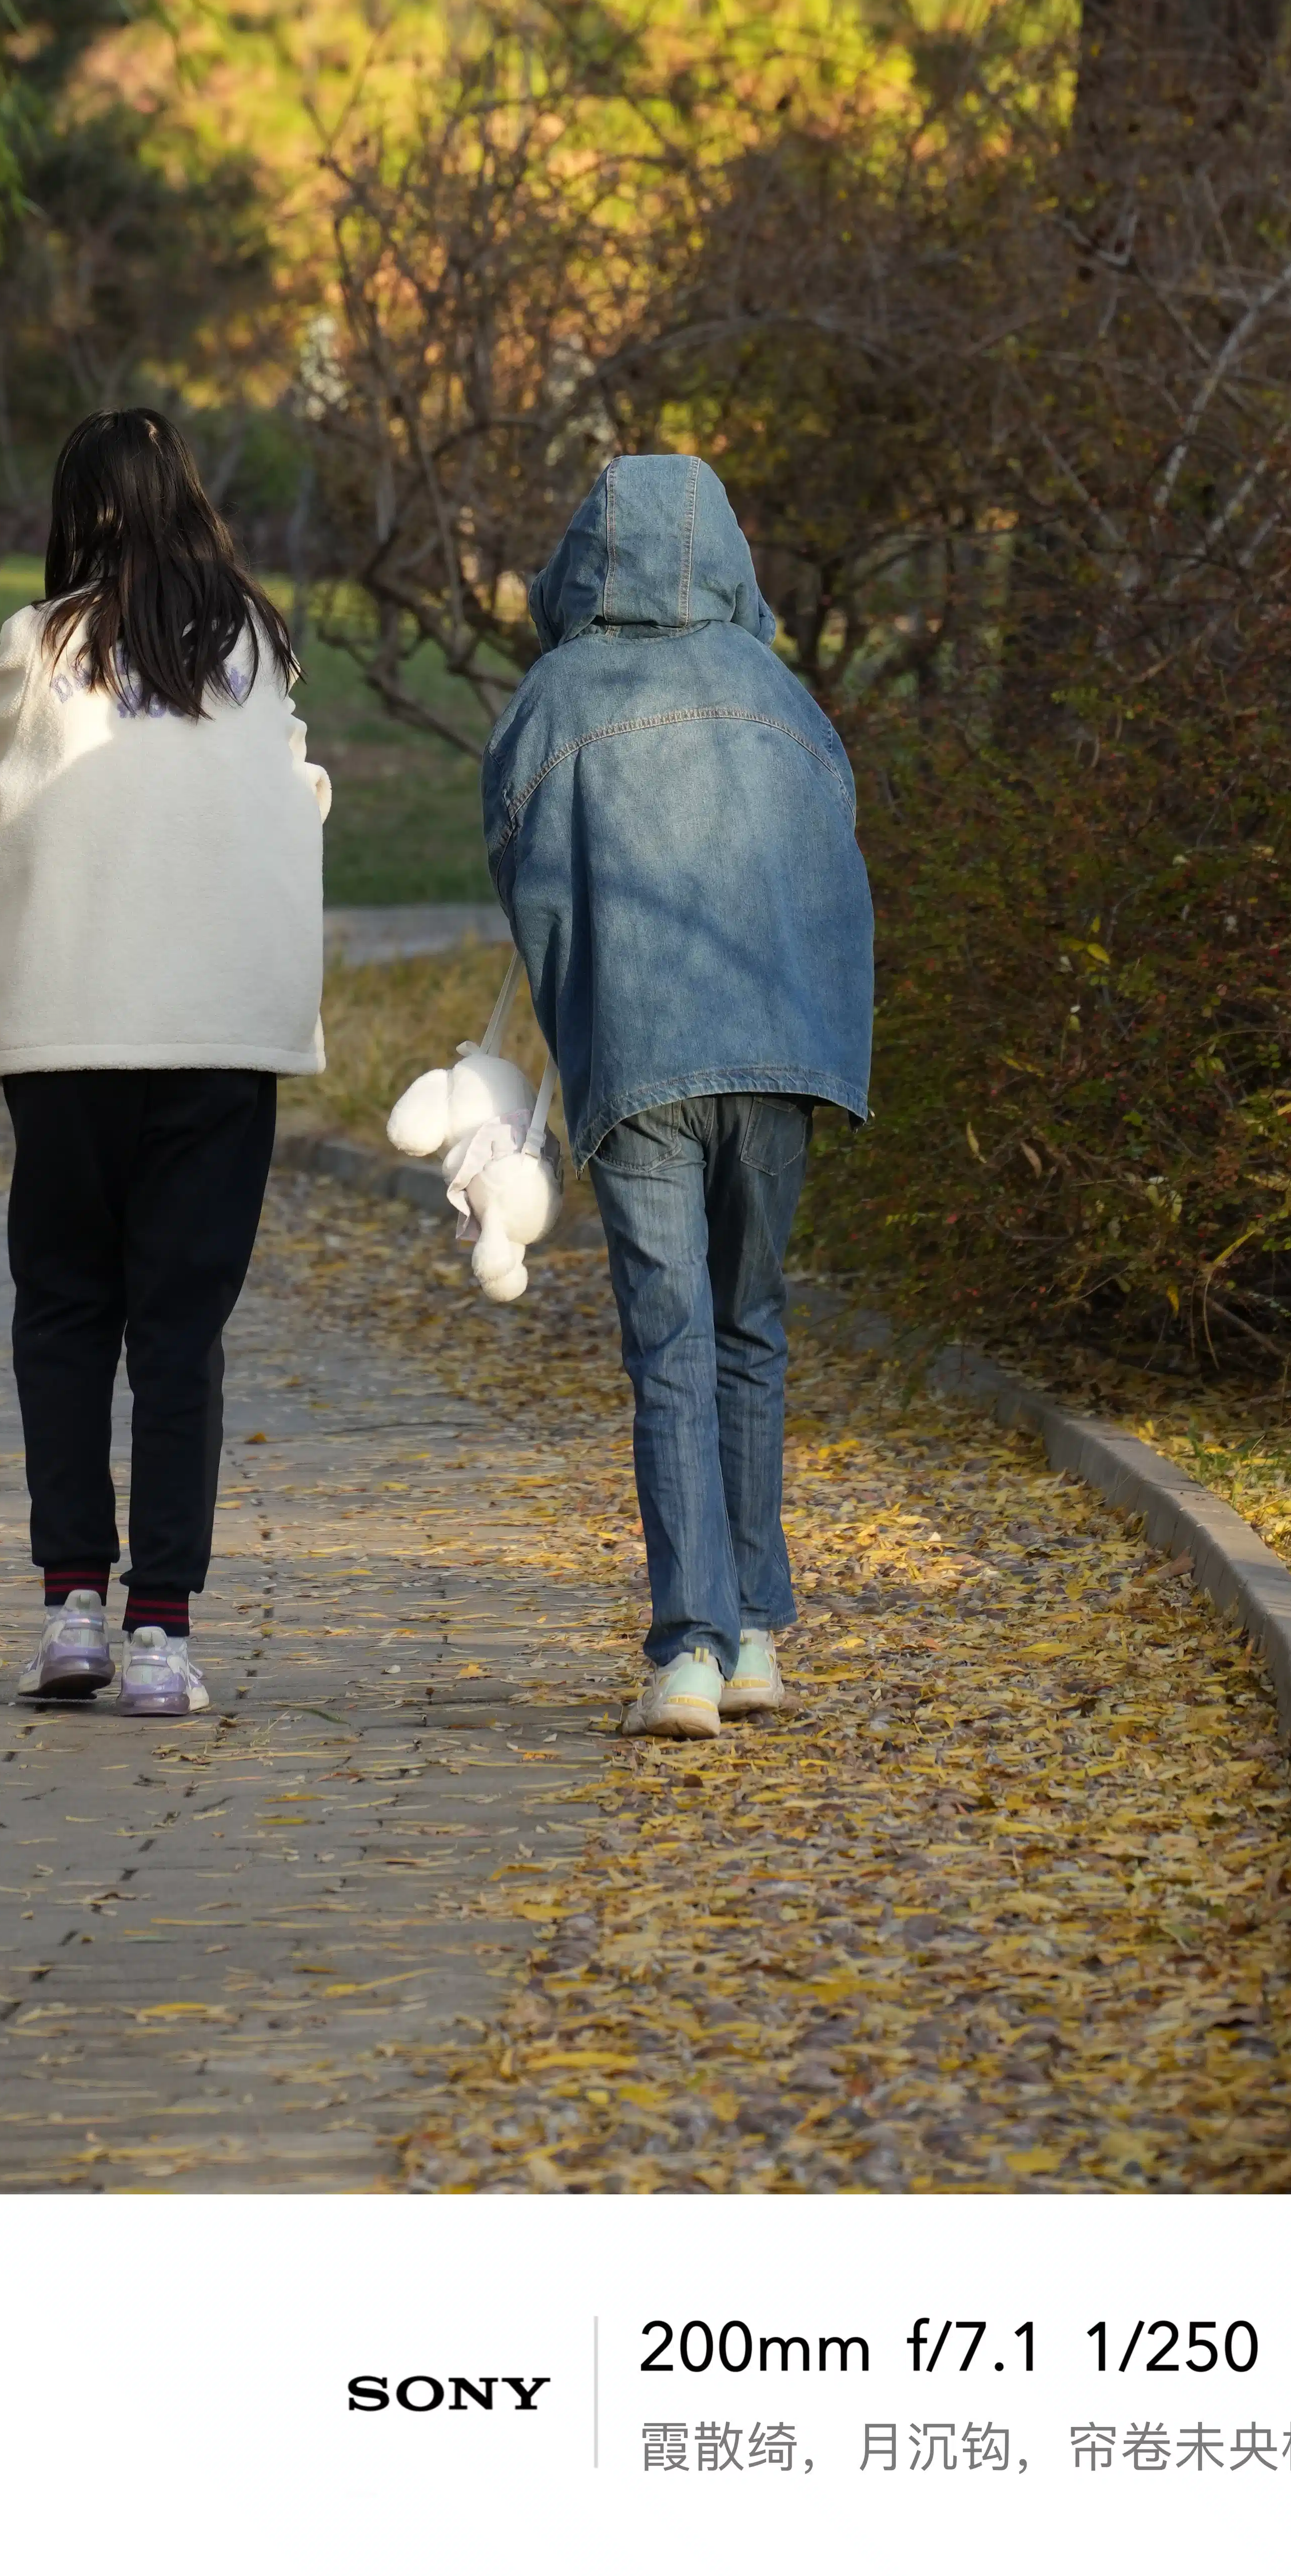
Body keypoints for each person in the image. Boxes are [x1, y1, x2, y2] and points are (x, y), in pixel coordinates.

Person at [481, 452, 874, 1741]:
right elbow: (838, 859)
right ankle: (756, 1631)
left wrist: (566, 1032)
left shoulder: (556, 694)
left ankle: (689, 1650)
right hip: (777, 1052)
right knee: (750, 1323)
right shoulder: (781, 694)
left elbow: (526, 882)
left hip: (645, 1054)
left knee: (671, 1339)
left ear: (588, 555)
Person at [0, 408, 330, 1719]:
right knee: (182, 1330)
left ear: (78, 510)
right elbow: (298, 790)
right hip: (225, 1031)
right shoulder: (256, 644)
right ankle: (163, 1626)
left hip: (70, 1031)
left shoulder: (39, 642)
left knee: (65, 1309)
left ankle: (72, 1606)